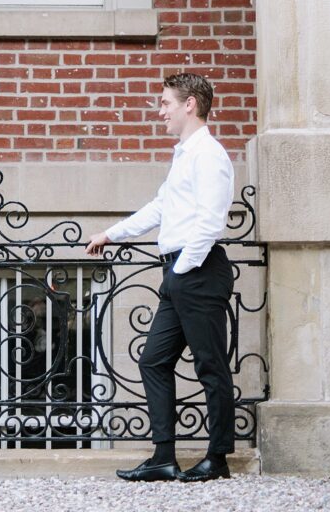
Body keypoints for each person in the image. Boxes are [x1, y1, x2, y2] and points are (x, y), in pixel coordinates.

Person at [86, 73, 235, 483]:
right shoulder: (185, 154)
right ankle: (163, 457)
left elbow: (210, 220)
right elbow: (160, 208)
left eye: (166, 102)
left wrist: (183, 268)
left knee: (210, 365)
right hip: (179, 273)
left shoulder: (209, 155)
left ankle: (217, 459)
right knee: (153, 359)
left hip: (197, 271)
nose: (160, 110)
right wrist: (110, 234)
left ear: (190, 104)